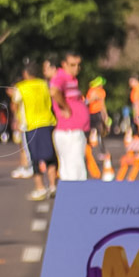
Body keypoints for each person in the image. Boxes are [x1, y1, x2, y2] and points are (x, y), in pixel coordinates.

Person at [16, 63, 58, 201]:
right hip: (48, 122)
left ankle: (40, 188)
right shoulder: (45, 84)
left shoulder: (21, 87)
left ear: (25, 74)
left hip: (31, 125)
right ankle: (53, 186)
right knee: (51, 156)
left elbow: (16, 102)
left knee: (35, 158)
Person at [49, 52, 89, 181]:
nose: (76, 68)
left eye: (78, 65)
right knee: (75, 170)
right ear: (64, 64)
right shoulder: (61, 77)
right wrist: (65, 107)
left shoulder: (72, 79)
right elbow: (54, 91)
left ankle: (71, 196)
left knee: (71, 169)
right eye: (72, 65)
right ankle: (77, 198)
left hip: (74, 130)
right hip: (69, 131)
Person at [86, 76, 110, 172]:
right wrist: (106, 116)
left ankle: (99, 151)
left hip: (94, 113)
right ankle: (96, 150)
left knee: (97, 132)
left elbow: (100, 104)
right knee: (96, 132)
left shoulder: (96, 91)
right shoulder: (95, 91)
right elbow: (89, 102)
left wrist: (105, 116)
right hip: (94, 113)